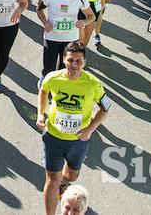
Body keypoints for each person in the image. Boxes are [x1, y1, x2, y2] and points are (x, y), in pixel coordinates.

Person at [37, 42, 111, 215]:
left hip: (78, 141)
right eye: (71, 60)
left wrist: (91, 129)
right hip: (53, 137)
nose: (74, 64)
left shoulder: (93, 84)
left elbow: (106, 108)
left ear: (85, 61)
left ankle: (64, 180)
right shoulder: (53, 78)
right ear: (64, 60)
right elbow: (43, 90)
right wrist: (41, 114)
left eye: (79, 61)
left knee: (71, 177)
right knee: (52, 181)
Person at [36, 0, 94, 79]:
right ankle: (45, 82)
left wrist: (84, 22)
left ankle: (59, 90)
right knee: (49, 68)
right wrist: (45, 23)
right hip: (52, 36)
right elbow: (39, 10)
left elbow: (91, 16)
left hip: (70, 38)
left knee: (65, 68)